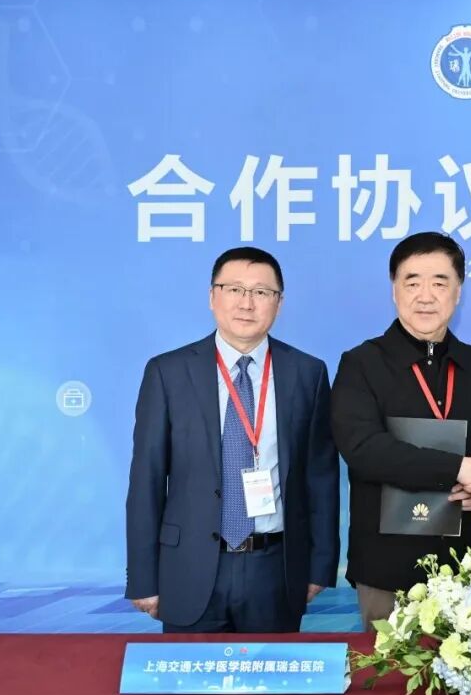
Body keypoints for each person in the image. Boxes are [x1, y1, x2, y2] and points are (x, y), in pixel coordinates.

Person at [125, 247, 339, 632]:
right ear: (212, 296)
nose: (246, 303)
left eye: (261, 292)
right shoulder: (168, 372)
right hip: (188, 567)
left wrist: (320, 566)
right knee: (190, 674)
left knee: (272, 673)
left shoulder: (307, 373)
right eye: (234, 289)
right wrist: (143, 577)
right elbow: (146, 480)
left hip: (274, 568)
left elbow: (320, 477)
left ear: (279, 303)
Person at [331, 232, 471, 630]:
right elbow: (364, 449)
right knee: (387, 668)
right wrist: (459, 468)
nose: (425, 296)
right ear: (394, 290)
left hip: (469, 567)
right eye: (412, 282)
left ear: (458, 291)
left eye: (439, 283)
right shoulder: (362, 364)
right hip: (386, 568)